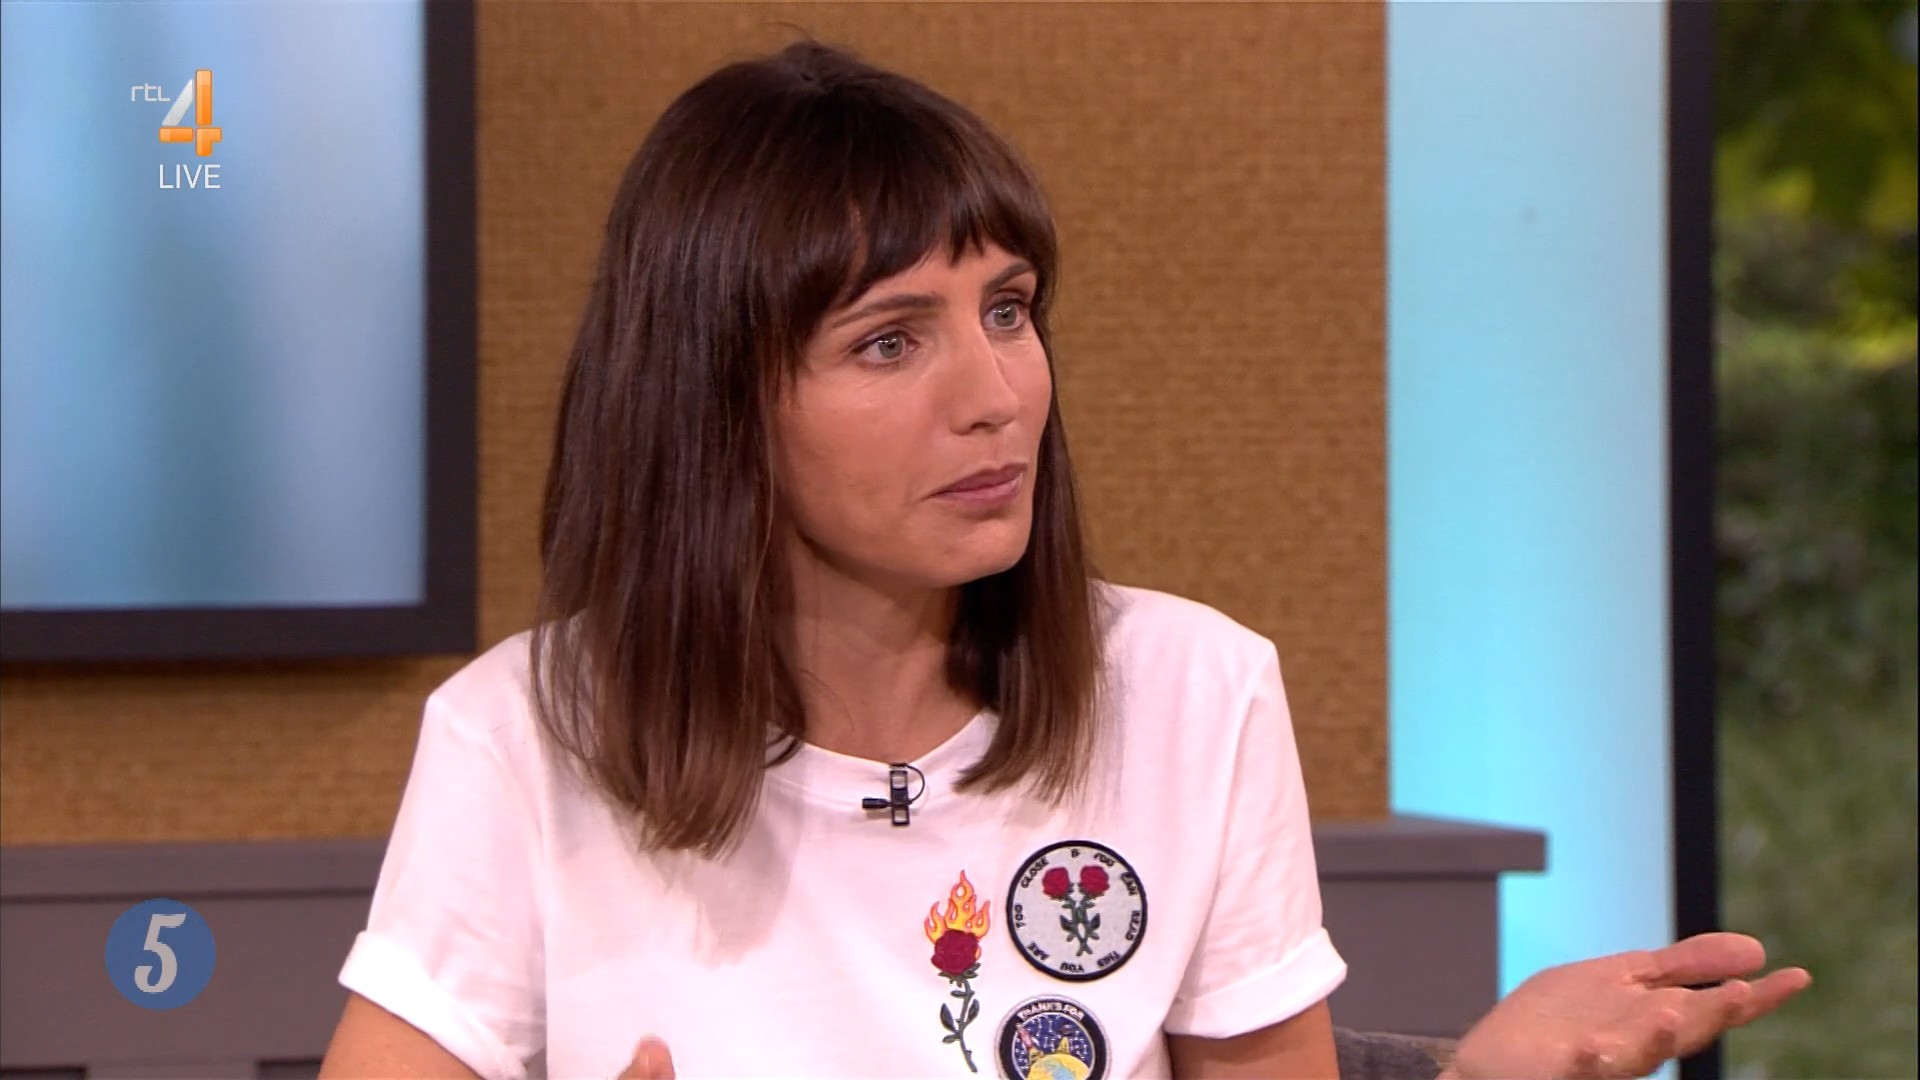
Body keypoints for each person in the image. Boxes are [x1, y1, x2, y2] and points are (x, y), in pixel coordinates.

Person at [317, 38, 1808, 1080]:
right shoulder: (528, 735)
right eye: (890, 340)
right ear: (716, 401)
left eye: (1009, 309)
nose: (997, 395)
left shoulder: (1194, 690)